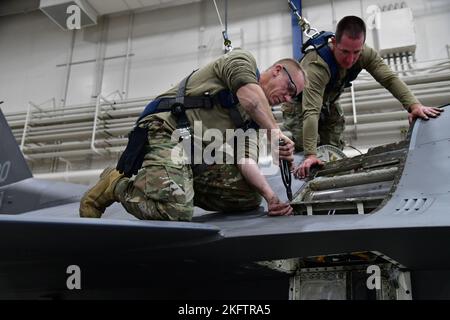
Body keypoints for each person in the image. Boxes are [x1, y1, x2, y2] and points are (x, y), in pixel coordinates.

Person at [79, 48, 306, 221]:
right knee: (176, 211)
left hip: (196, 156)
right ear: (277, 70)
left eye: (292, 97)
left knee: (248, 198)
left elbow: (245, 160)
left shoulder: (254, 124)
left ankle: (179, 184)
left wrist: (271, 198)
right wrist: (275, 134)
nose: (287, 98)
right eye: (289, 89)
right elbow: (252, 100)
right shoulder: (242, 61)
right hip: (165, 131)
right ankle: (115, 184)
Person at [282, 16, 443, 179]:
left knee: (332, 150)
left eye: (356, 52)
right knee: (309, 154)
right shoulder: (317, 66)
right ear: (334, 42)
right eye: (344, 51)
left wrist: (414, 106)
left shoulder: (364, 53)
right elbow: (311, 112)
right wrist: (310, 154)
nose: (350, 59)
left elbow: (389, 78)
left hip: (328, 102)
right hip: (301, 106)